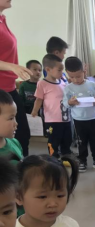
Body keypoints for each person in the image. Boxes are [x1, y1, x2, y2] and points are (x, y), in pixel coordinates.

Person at [63, 56, 95, 172]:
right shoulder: (68, 88)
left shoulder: (92, 85)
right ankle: (82, 161)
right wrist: (70, 102)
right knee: (81, 142)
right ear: (67, 73)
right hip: (78, 120)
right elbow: (65, 103)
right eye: (72, 77)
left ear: (84, 71)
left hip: (93, 118)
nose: (75, 80)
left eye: (78, 76)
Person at [0, 1, 32, 156]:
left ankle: (20, 166)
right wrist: (12, 66)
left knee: (21, 135)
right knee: (16, 135)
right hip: (1, 89)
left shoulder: (2, 19)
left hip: (9, 86)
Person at [31, 54, 71, 159]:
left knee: (67, 139)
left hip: (66, 118)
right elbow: (39, 99)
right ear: (48, 69)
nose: (62, 73)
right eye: (59, 70)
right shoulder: (42, 83)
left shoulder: (63, 82)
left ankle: (66, 156)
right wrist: (35, 111)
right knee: (54, 140)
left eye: (62, 70)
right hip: (52, 120)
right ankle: (53, 158)